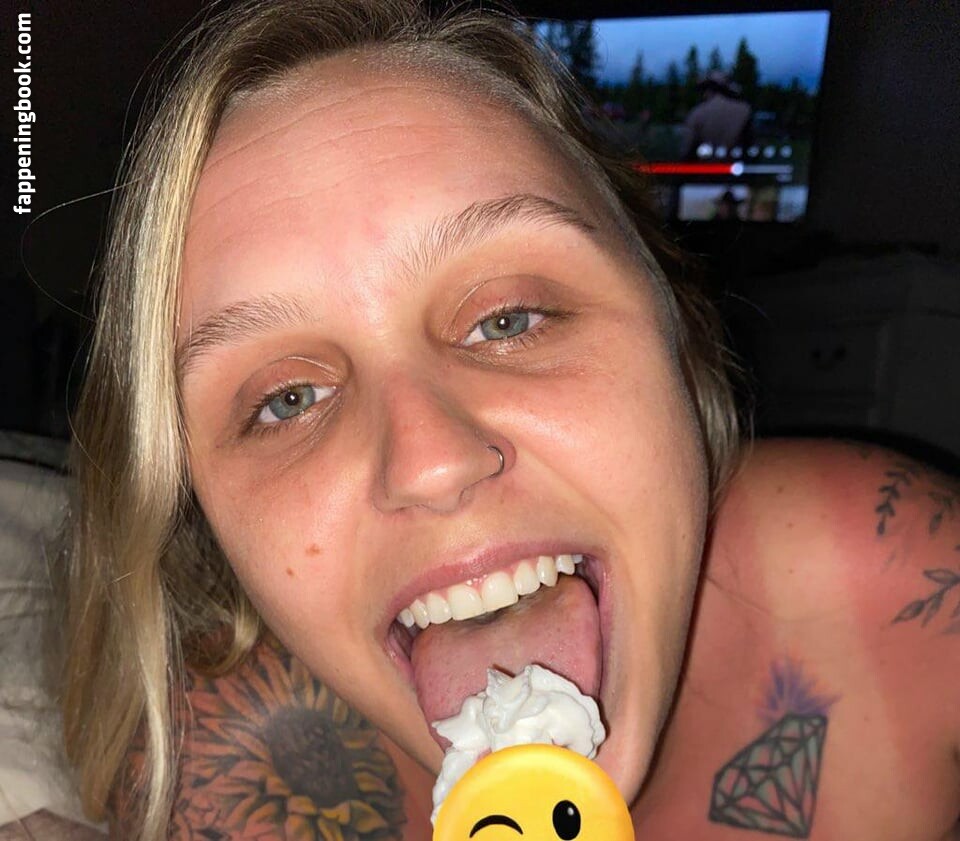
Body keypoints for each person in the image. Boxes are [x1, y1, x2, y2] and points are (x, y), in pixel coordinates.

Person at [57, 1, 960, 839]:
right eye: (287, 400)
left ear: (675, 331)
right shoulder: (214, 779)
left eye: (509, 318)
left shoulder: (907, 590)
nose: (429, 461)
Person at [679, 71, 752, 161]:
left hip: (706, 167)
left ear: (708, 89)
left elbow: (686, 151)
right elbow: (751, 147)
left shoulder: (697, 113)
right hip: (735, 166)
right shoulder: (744, 110)